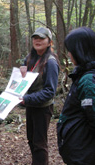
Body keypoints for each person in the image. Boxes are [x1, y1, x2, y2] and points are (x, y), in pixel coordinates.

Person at [20, 27, 59, 165]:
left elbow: (49, 92)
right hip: (31, 106)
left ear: (49, 42)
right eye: (35, 38)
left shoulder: (51, 62)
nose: (38, 40)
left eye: (42, 38)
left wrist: (26, 99)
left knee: (39, 144)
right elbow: (26, 81)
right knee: (31, 139)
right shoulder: (30, 58)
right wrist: (22, 69)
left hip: (43, 108)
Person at [57, 27, 95, 164]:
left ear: (80, 50)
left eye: (70, 50)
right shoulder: (82, 76)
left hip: (84, 154)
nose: (68, 54)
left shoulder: (88, 81)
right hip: (79, 153)